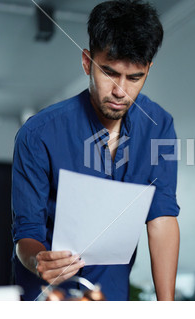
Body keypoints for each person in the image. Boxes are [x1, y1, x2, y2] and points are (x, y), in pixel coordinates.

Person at [12, 0, 180, 301]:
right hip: (47, 298)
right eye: (110, 73)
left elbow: (162, 219)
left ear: (148, 70)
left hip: (111, 297)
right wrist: (40, 261)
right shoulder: (37, 134)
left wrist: (167, 308)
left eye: (134, 78)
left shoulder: (159, 126)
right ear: (87, 62)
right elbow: (27, 234)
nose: (120, 91)